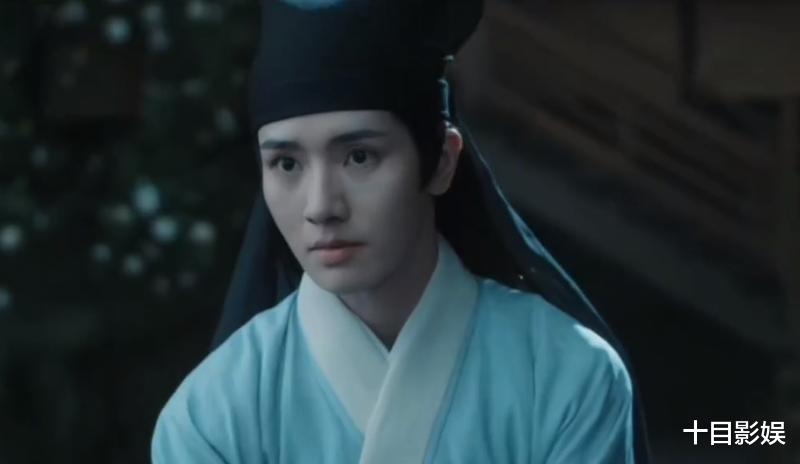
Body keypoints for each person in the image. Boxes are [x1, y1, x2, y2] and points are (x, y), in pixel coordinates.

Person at [151, 0, 651, 462]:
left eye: (359, 156)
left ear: (442, 161)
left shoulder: (568, 375)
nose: (321, 207)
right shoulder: (210, 416)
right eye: (286, 164)